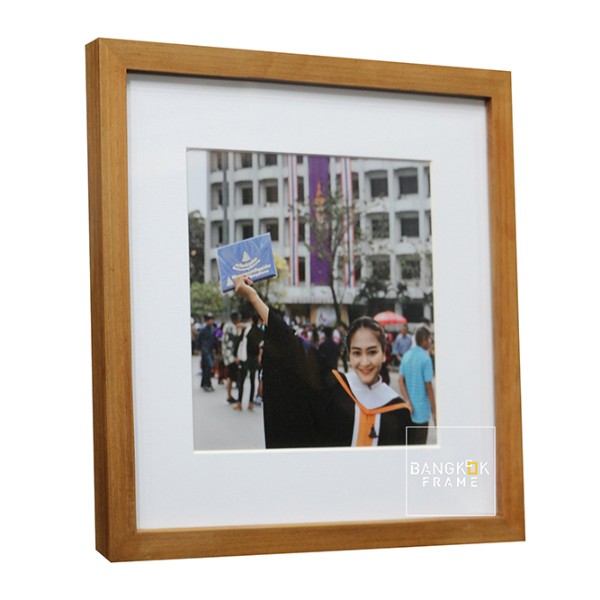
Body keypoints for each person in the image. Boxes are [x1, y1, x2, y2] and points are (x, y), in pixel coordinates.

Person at [233, 275, 412, 448]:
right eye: (357, 353)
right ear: (348, 356)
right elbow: (291, 345)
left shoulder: (399, 412)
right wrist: (253, 297)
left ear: (384, 354)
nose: (365, 362)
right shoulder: (337, 389)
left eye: (372, 352)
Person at [398, 326, 436, 445]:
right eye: (429, 339)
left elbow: (400, 381)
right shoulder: (426, 359)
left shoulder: (406, 356)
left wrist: (407, 401)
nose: (430, 342)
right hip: (422, 413)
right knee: (420, 447)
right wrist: (435, 411)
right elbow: (429, 387)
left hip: (409, 412)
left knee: (410, 446)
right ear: (424, 340)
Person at [234, 313, 264, 410]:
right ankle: (250, 403)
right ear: (258, 320)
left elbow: (239, 342)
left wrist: (235, 355)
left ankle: (239, 403)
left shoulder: (246, 330)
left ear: (251, 319)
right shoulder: (261, 332)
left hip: (245, 358)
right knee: (252, 381)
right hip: (254, 359)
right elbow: (261, 346)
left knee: (242, 381)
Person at [221, 312, 241, 403]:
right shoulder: (232, 327)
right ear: (236, 319)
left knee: (231, 375)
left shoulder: (226, 325)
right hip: (230, 356)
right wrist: (234, 357)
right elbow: (237, 338)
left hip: (227, 354)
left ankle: (229, 395)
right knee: (231, 376)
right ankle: (229, 396)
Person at [197, 314, 217, 392]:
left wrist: (216, 349)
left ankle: (205, 383)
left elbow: (217, 338)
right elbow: (198, 340)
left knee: (207, 367)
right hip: (205, 350)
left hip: (211, 350)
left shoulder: (214, 329)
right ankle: (207, 384)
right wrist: (199, 349)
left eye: (212, 319)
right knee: (208, 367)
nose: (211, 321)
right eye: (209, 320)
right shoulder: (203, 330)